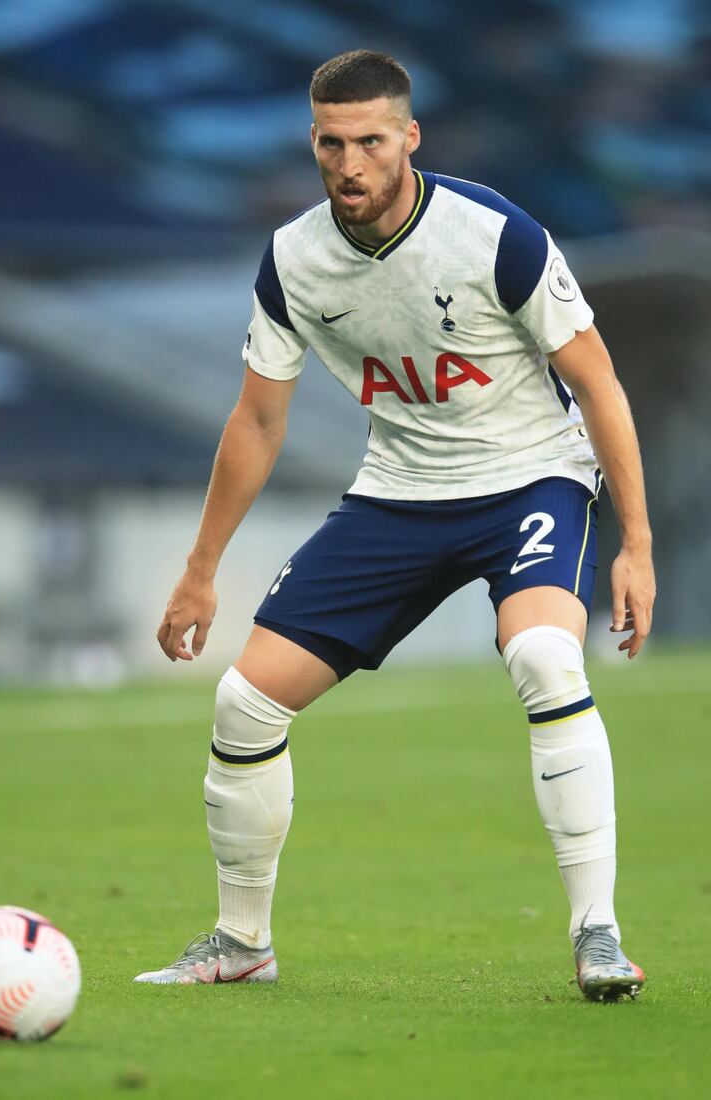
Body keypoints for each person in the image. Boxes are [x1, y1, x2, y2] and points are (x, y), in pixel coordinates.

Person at [134, 51, 655, 1000]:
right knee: (244, 706)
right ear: (314, 143)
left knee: (546, 659)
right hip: (400, 492)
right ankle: (242, 942)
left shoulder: (495, 233)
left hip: (528, 479)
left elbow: (598, 381)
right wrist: (200, 568)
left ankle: (597, 933)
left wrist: (637, 546)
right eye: (331, 144)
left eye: (370, 141)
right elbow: (256, 419)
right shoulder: (294, 259)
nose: (349, 164)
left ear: (410, 138)